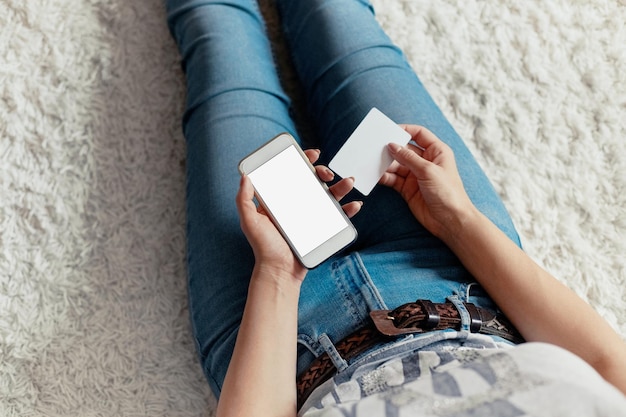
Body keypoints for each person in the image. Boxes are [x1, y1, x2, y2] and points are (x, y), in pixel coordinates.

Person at [165, 0, 626, 415]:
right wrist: (457, 219)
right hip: (458, 270)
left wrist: (277, 274)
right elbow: (608, 368)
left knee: (217, 36)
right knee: (337, 16)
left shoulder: (276, 282)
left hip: (280, 345)